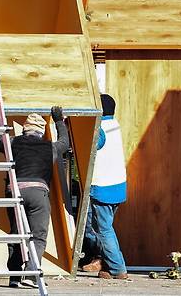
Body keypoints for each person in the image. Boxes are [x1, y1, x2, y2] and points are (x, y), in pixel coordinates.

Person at [0, 106, 69, 288]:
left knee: (16, 233)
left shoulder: (13, 142)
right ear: (41, 132)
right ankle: (31, 272)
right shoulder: (50, 147)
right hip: (38, 192)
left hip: (14, 191)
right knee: (38, 235)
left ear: (24, 129)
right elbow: (64, 142)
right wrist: (58, 120)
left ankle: (15, 276)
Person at [80, 93, 128, 279]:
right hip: (117, 187)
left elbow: (93, 146)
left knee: (104, 229)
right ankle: (106, 264)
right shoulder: (114, 125)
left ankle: (118, 268)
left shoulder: (100, 129)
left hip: (103, 188)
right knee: (100, 228)